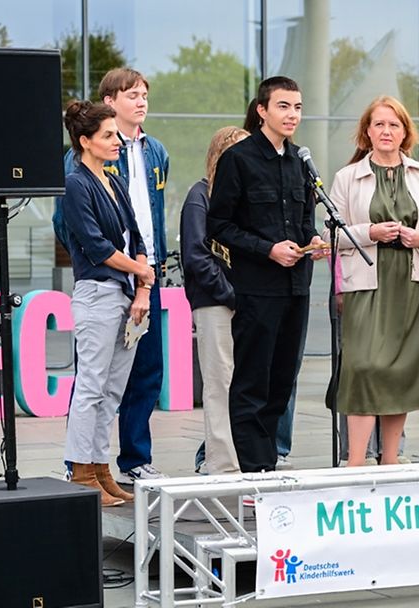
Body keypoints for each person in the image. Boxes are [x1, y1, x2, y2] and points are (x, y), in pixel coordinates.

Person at [54, 67, 170, 483]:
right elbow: (82, 236)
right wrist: (132, 267)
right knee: (92, 382)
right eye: (132, 94)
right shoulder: (75, 176)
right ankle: (80, 469)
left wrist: (143, 277)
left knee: (129, 379)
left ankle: (113, 467)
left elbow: (141, 228)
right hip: (104, 285)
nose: (141, 101)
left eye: (145, 94)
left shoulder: (143, 159)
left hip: (137, 282)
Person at [207, 77, 327, 473]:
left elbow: (306, 218)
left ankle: (269, 462)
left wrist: (313, 239)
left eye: (297, 107)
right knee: (252, 384)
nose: (292, 114)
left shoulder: (300, 162)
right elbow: (219, 225)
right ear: (262, 110)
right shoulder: (238, 159)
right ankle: (253, 471)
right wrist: (267, 249)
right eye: (283, 106)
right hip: (257, 290)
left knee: (282, 383)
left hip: (297, 288)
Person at [327, 95, 419, 466]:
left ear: (405, 133)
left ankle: (390, 460)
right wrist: (371, 232)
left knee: (400, 372)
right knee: (364, 368)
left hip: (413, 282)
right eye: (379, 124)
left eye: (393, 124)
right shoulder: (347, 177)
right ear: (367, 131)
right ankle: (355, 463)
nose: (386, 131)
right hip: (367, 285)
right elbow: (331, 235)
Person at [180, 126, 248, 475]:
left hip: (248, 303)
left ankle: (247, 458)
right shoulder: (201, 195)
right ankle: (221, 465)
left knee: (245, 385)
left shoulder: (244, 200)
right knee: (219, 383)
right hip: (216, 303)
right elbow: (196, 256)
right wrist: (231, 294)